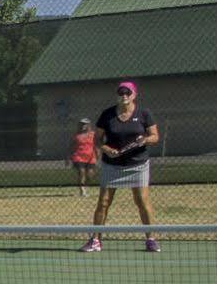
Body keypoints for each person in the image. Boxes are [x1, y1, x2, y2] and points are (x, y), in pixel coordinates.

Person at [84, 81, 161, 253]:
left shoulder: (144, 114)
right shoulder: (107, 115)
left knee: (141, 200)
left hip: (138, 164)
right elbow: (97, 139)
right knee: (103, 202)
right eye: (121, 92)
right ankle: (96, 240)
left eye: (128, 92)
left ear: (134, 94)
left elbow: (155, 136)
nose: (124, 95)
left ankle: (151, 239)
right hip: (112, 165)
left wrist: (145, 140)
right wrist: (106, 149)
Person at [69, 116, 97, 195]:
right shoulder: (76, 135)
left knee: (90, 174)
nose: (83, 126)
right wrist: (68, 158)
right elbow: (71, 147)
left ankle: (85, 186)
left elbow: (96, 146)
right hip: (78, 157)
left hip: (91, 157)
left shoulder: (93, 134)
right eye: (82, 124)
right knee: (82, 172)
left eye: (85, 124)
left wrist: (98, 155)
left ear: (89, 125)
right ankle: (82, 190)